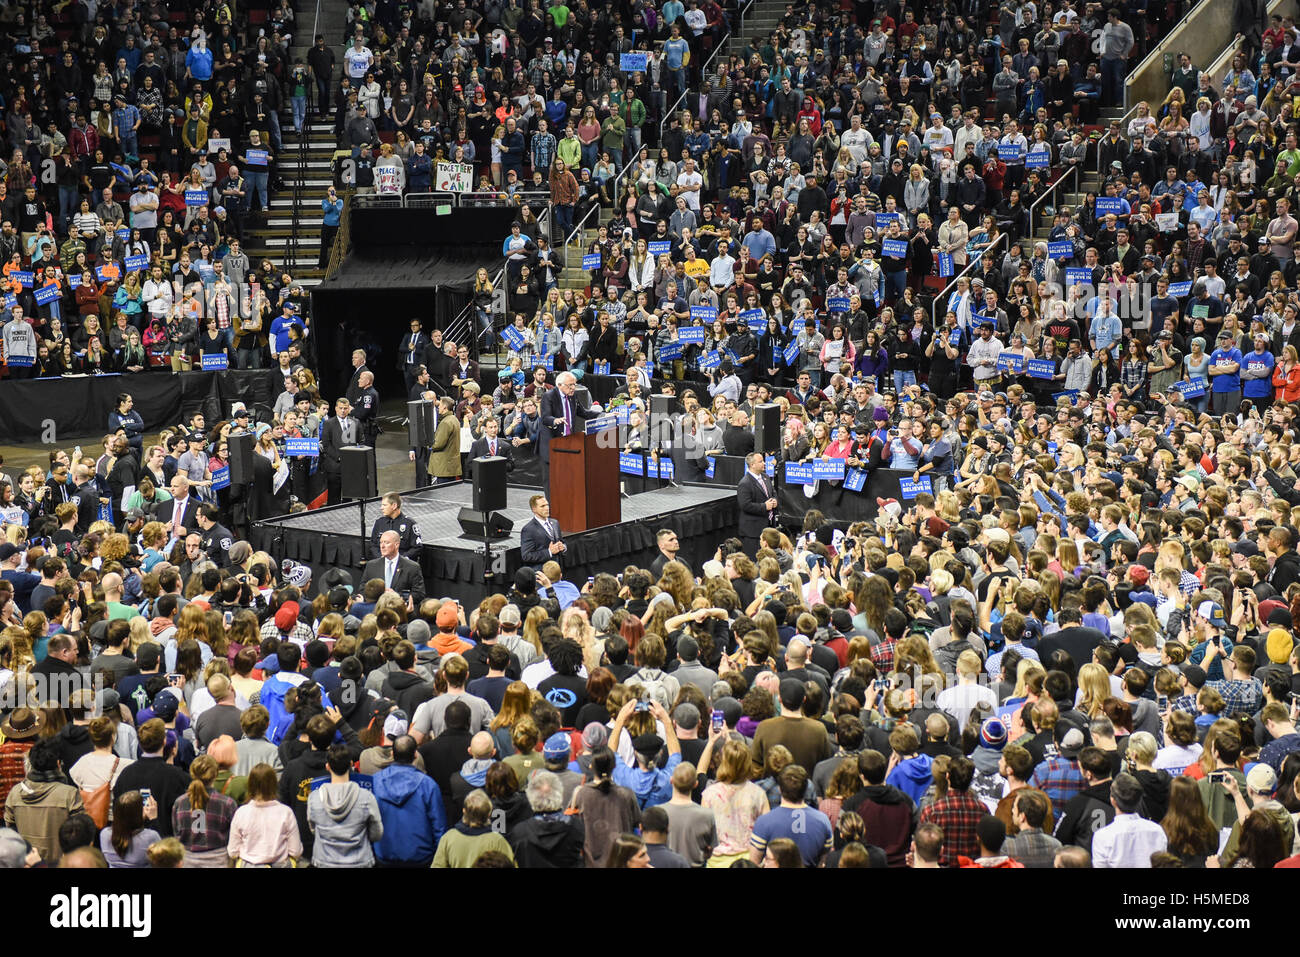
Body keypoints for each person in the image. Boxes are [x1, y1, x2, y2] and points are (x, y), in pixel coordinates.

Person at [372, 735, 447, 868]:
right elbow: (439, 827)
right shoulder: (428, 785)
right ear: (415, 755)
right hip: (420, 857)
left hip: (384, 855)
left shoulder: (375, 782)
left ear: (392, 754)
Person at [306, 744, 384, 868]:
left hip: (323, 862)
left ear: (327, 766)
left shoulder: (314, 798)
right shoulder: (366, 797)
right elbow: (376, 834)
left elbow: (313, 829)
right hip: (360, 862)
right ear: (351, 764)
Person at [538, 371, 594, 494]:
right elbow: (545, 418)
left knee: (567, 478)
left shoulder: (573, 395)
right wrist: (556, 420)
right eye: (570, 385)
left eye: (574, 384)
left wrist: (604, 414)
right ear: (560, 385)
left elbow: (584, 413)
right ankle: (552, 510)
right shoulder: (549, 396)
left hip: (569, 444)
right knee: (552, 482)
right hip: (552, 444)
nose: (573, 388)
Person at [361, 531, 427, 608]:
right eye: (381, 542)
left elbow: (419, 594)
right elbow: (362, 589)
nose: (382, 546)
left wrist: (395, 596)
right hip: (375, 610)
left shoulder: (412, 567)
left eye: (386, 542)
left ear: (396, 545)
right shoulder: (372, 565)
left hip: (399, 611)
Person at [737, 451, 778, 556]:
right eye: (760, 461)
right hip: (753, 532)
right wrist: (764, 507)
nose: (764, 463)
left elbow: (773, 492)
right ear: (752, 465)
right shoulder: (744, 483)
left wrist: (774, 501)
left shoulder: (766, 477)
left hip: (768, 527)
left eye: (763, 461)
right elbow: (745, 505)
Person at [520, 495, 566, 566]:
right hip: (542, 573)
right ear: (534, 509)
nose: (547, 508)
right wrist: (549, 552)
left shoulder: (555, 523)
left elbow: (562, 542)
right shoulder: (528, 529)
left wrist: (563, 547)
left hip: (558, 571)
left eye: (547, 505)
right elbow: (526, 556)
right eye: (542, 506)